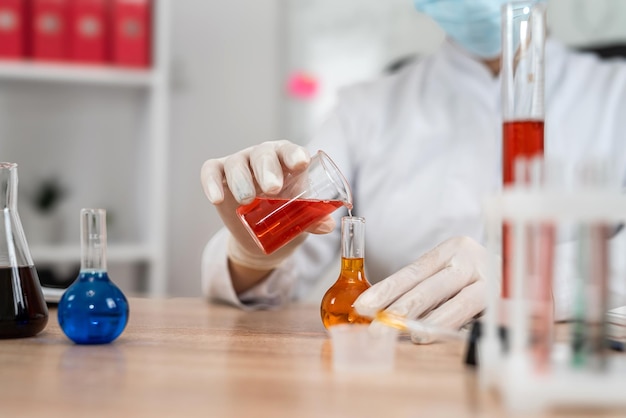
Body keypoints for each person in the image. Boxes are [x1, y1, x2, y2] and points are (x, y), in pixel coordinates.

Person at [200, 0, 626, 343]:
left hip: (556, 369)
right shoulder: (365, 109)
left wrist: (536, 282)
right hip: (402, 373)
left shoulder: (615, 94)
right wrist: (251, 255)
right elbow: (270, 272)